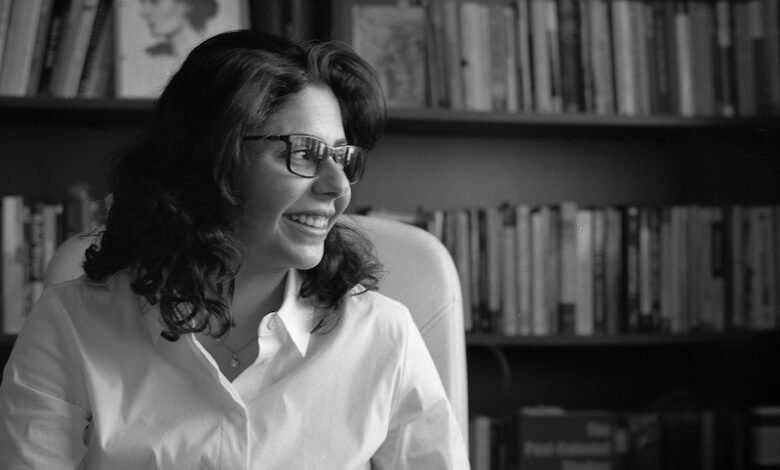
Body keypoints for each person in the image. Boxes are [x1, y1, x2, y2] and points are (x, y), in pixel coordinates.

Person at [0, 30, 469, 469]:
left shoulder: (383, 335)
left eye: (343, 157)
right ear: (210, 159)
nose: (337, 186)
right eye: (303, 152)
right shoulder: (71, 325)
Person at [141, 0, 218, 57]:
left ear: (186, 5)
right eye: (143, 3)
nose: (145, 12)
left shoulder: (214, 52)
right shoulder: (152, 56)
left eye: (155, 2)